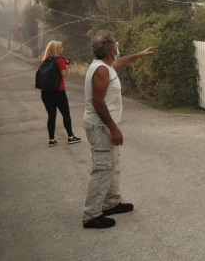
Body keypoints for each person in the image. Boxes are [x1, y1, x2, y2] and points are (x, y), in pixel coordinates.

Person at [82, 31, 154, 229]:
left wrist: (140, 54)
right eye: (116, 46)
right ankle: (91, 215)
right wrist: (113, 128)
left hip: (106, 126)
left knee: (112, 165)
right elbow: (98, 102)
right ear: (111, 49)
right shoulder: (101, 71)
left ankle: (110, 203)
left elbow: (120, 62)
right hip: (101, 127)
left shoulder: (105, 65)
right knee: (102, 168)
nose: (118, 49)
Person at [39, 40, 81, 147]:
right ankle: (71, 137)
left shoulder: (43, 61)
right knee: (66, 114)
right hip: (58, 91)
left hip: (46, 92)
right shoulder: (60, 60)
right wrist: (67, 65)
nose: (63, 49)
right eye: (61, 47)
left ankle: (51, 139)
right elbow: (64, 74)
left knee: (51, 115)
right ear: (56, 49)